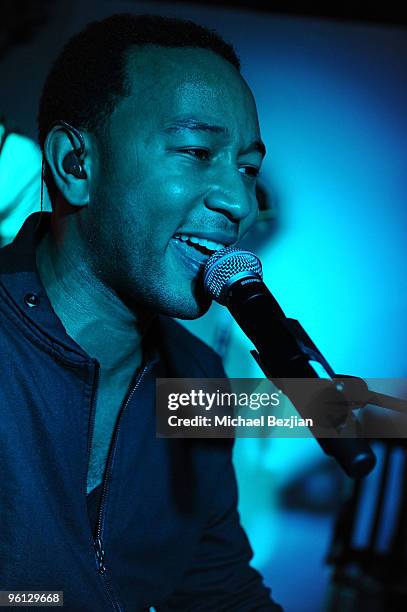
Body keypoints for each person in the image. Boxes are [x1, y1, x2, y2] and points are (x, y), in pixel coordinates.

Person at [0, 13, 282, 611]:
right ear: (77, 166)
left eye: (247, 168)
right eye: (196, 151)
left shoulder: (201, 380)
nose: (239, 202)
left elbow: (217, 589)